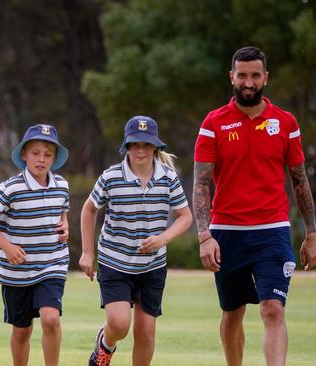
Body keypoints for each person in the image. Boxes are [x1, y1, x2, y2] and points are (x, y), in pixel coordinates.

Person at [193, 46, 316, 366]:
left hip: (272, 232)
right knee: (232, 312)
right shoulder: (213, 123)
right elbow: (201, 184)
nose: (248, 82)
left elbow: (300, 181)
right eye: (242, 75)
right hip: (227, 232)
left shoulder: (286, 123)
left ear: (266, 78)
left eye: (255, 76)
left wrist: (312, 233)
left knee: (272, 308)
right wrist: (204, 235)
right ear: (232, 77)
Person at [79, 116, 192, 366]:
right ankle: (105, 344)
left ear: (155, 147)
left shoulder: (168, 178)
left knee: (146, 332)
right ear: (126, 146)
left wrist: (163, 238)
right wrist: (87, 253)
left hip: (152, 267)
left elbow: (185, 217)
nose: (141, 149)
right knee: (119, 325)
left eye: (146, 144)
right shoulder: (111, 177)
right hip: (114, 262)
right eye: (135, 144)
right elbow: (89, 210)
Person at [0, 124, 71, 366]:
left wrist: (65, 226)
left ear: (54, 158)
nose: (41, 160)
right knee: (22, 331)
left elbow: (62, 213)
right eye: (36, 153)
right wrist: (6, 246)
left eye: (47, 154)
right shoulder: (10, 189)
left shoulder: (62, 185)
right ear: (24, 155)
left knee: (50, 319)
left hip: (52, 264)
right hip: (16, 272)